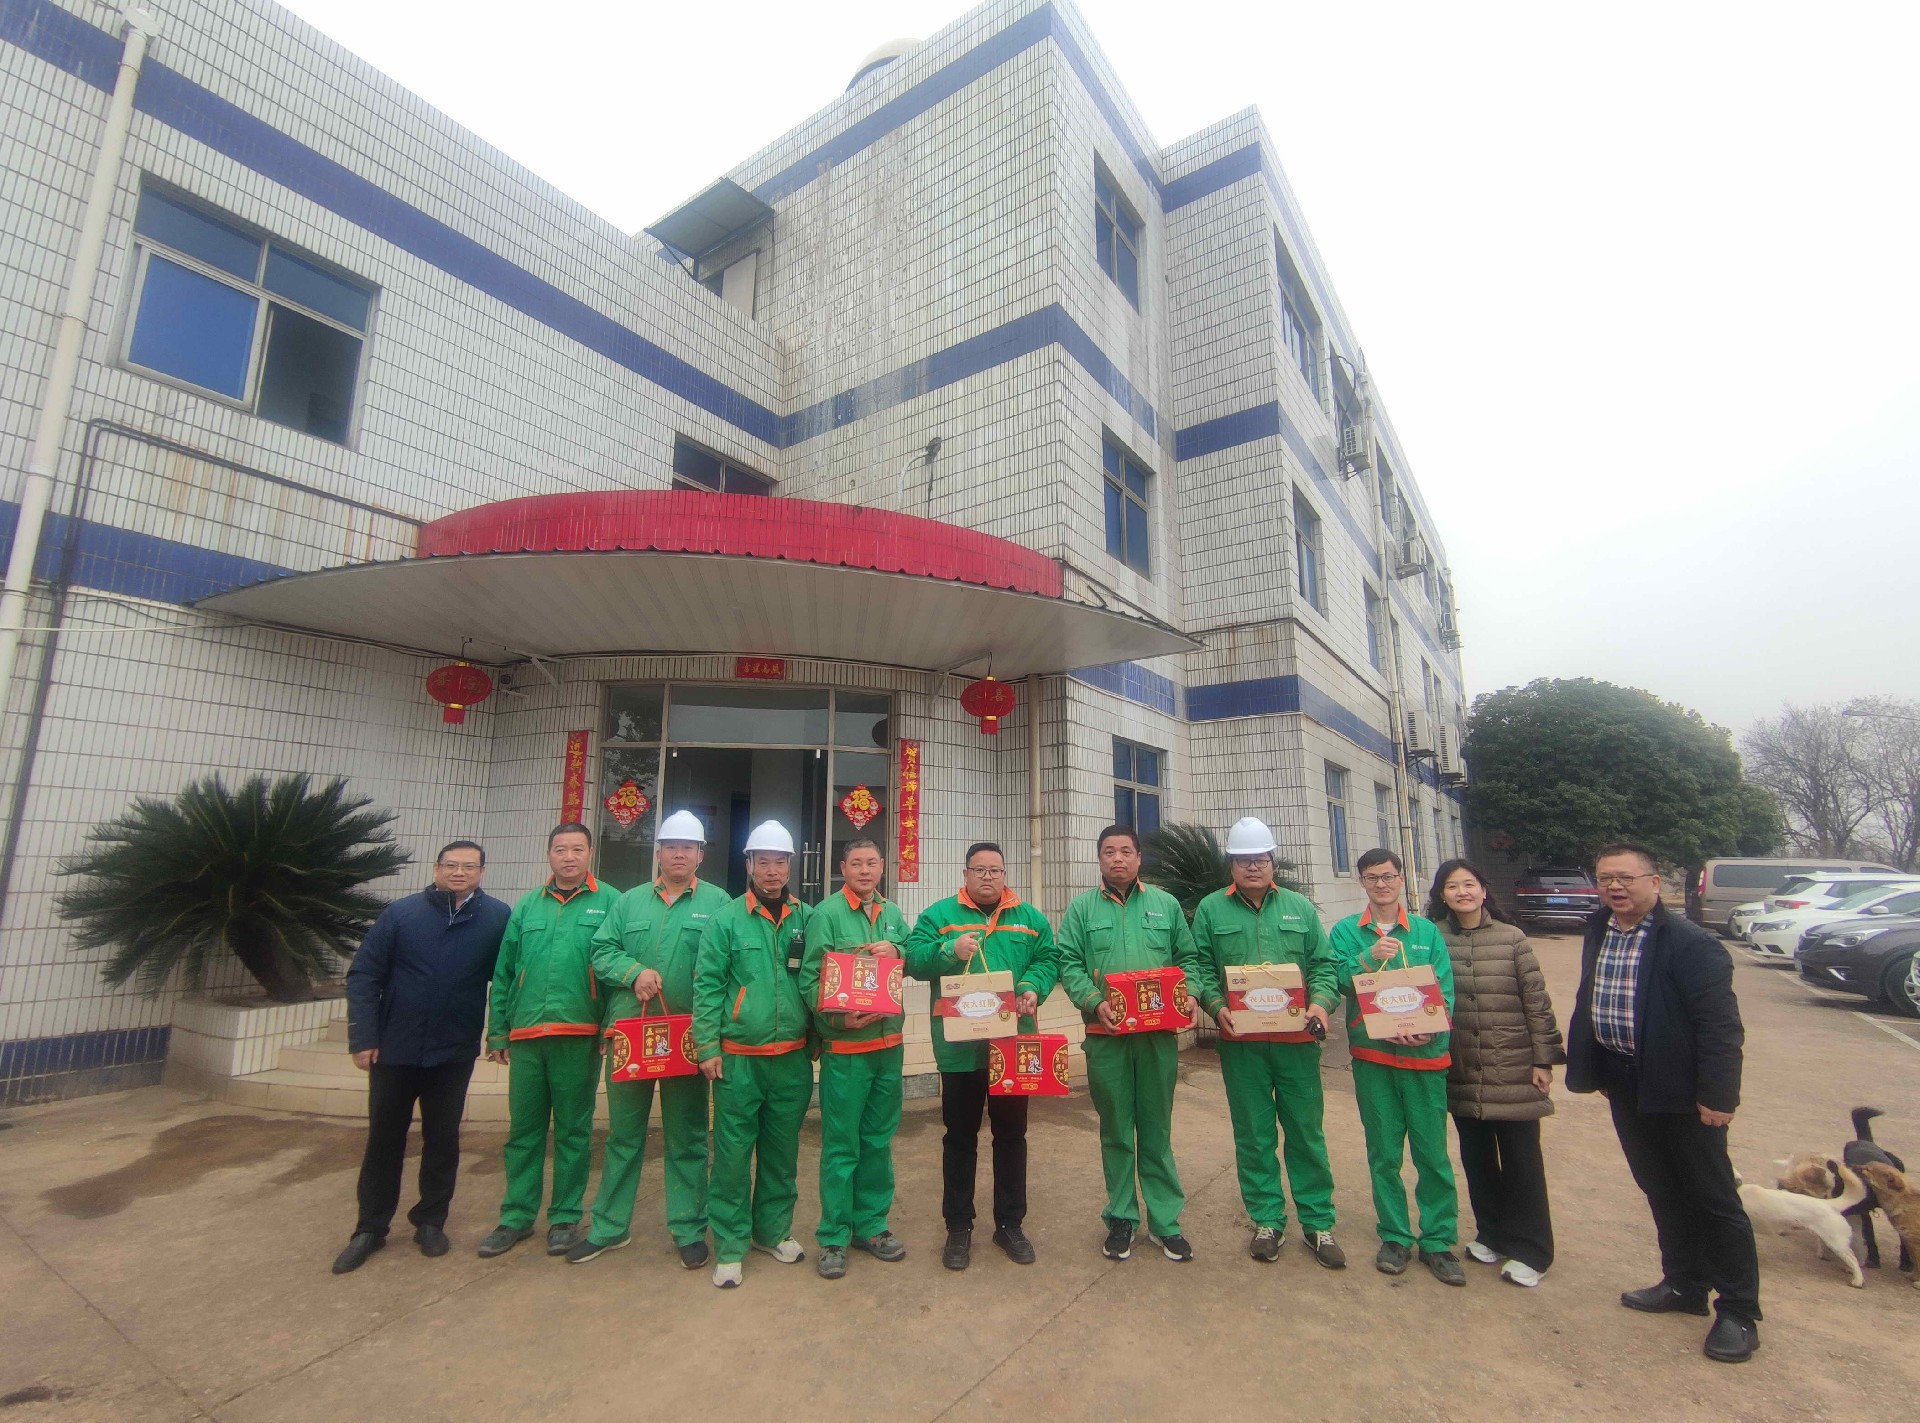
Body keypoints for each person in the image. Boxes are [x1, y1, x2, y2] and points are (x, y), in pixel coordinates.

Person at [1565, 842, 1760, 1363]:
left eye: (1625, 877)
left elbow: (1720, 1027)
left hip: (1684, 1093)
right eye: (1605, 878)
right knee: (1660, 1187)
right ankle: (1684, 1285)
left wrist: (1718, 1096)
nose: (1614, 887)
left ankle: (1739, 1311)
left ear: (1654, 882)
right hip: (1626, 1083)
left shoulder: (1692, 944)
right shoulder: (1600, 928)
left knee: (1713, 1198)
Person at [333, 840, 510, 1274]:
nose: (459, 872)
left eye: (469, 866)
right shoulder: (402, 914)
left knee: (443, 1139)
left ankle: (430, 1221)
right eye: (451, 865)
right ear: (436, 868)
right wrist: (363, 1037)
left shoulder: (497, 918)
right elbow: (364, 974)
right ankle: (370, 1227)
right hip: (394, 1048)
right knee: (384, 1139)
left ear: (482, 872)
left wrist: (500, 1031)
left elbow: (507, 977)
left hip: (453, 1049)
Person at [572, 810, 731, 1267]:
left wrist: (715, 1036)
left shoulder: (720, 903)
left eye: (688, 847)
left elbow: (728, 966)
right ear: (658, 853)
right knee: (623, 1136)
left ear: (700, 855)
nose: (679, 854)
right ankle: (609, 1227)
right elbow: (601, 949)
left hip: (688, 1038)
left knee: (688, 1136)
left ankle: (688, 1229)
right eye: (671, 846)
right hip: (631, 1037)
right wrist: (633, 972)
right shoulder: (629, 902)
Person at [1185, 817, 1345, 1268]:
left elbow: (1324, 965)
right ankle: (1267, 1220)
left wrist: (1321, 1005)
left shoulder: (1299, 908)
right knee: (1254, 1135)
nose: (1252, 866)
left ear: (1273, 862)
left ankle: (1318, 1223)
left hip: (1296, 1043)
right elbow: (1199, 964)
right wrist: (1216, 1006)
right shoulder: (1211, 910)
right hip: (1242, 1045)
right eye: (1243, 860)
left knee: (1306, 1133)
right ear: (1231, 866)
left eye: (1260, 858)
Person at [903, 841, 1058, 1270]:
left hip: (1011, 1046)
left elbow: (1048, 959)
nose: (987, 877)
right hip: (960, 1050)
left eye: (995, 870)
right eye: (979, 870)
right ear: (965, 874)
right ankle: (958, 1226)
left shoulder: (1029, 918)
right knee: (959, 1137)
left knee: (1012, 1135)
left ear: (1005, 874)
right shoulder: (939, 917)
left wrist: (1032, 987)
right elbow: (913, 961)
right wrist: (948, 951)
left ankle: (1010, 1224)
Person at [1057, 825, 1206, 1264]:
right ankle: (1121, 1217)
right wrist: (1093, 1001)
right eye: (1109, 852)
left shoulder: (1165, 904)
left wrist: (1191, 994)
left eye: (1126, 851)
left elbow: (1189, 958)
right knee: (1117, 1129)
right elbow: (1069, 963)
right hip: (1106, 1038)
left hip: (1157, 1038)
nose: (1117, 858)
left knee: (1156, 1129)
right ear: (1099, 859)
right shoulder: (1082, 909)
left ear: (1139, 859)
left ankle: (1165, 1221)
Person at [477, 823, 622, 1260]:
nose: (569, 857)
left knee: (574, 1130)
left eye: (577, 849)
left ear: (590, 853)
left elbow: (617, 971)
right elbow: (505, 970)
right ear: (549, 855)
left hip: (578, 1033)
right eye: (561, 849)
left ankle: (564, 1217)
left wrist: (610, 1025)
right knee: (523, 1130)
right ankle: (516, 1216)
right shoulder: (527, 906)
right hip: (526, 1034)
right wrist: (498, 1029)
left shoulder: (611, 902)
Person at [1425, 858, 1564, 1288]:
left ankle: (1533, 1250)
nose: (1462, 892)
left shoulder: (1512, 938)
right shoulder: (1432, 937)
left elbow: (1537, 1002)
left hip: (1512, 1065)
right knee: (1477, 1158)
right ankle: (1492, 1234)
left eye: (1469, 884)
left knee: (1523, 1161)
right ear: (1442, 895)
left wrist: (1543, 1060)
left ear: (1484, 890)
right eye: (1452, 886)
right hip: (1462, 1065)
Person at [1330, 848, 1462, 1286]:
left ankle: (1438, 1240)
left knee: (1432, 1154)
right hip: (1375, 1058)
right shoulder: (1347, 932)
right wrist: (1369, 958)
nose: (1381, 884)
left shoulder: (1425, 932)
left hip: (1425, 1059)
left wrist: (1430, 1031)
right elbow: (1337, 980)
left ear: (1401, 878)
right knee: (1384, 1154)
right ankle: (1394, 1236)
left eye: (1388, 876)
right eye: (1372, 877)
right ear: (1362, 883)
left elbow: (1444, 988)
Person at [691, 820, 815, 1288]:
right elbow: (707, 985)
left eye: (780, 862)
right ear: (748, 865)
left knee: (782, 1153)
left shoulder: (808, 918)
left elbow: (819, 979)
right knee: (732, 1154)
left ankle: (772, 1231)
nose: (772, 870)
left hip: (792, 1058)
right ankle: (730, 1245)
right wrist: (707, 1046)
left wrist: (817, 1038)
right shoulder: (726, 919)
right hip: (738, 1058)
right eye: (763, 861)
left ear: (790, 866)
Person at [799, 838, 910, 1279]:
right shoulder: (826, 915)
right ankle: (833, 1236)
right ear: (842, 867)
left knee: (878, 1141)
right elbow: (810, 978)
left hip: (888, 1047)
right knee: (842, 1145)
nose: (865, 870)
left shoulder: (893, 913)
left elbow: (913, 956)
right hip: (846, 1051)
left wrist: (898, 952)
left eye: (872, 863)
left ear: (882, 867)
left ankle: (872, 1225)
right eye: (856, 863)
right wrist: (838, 1019)